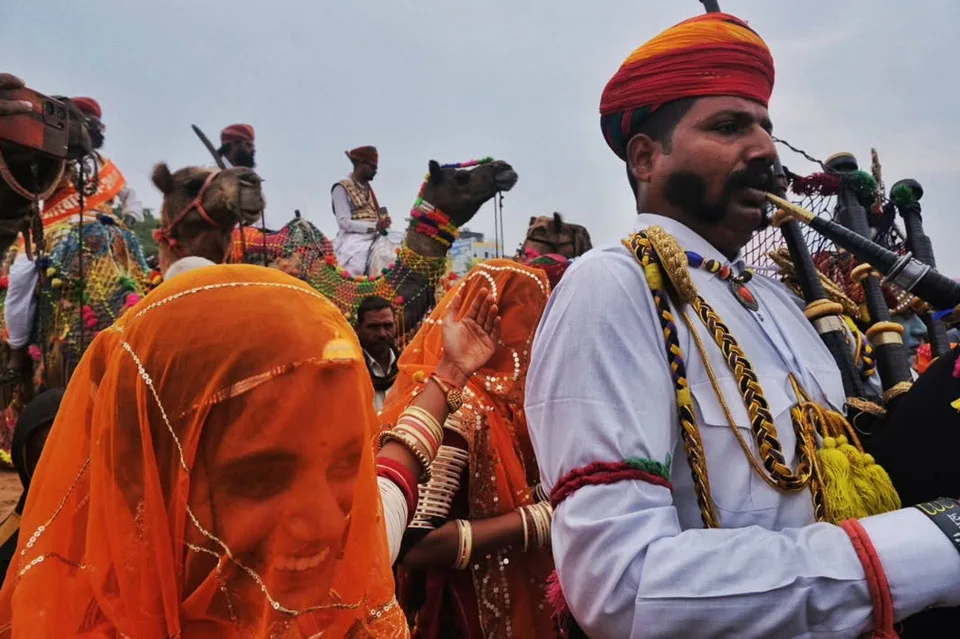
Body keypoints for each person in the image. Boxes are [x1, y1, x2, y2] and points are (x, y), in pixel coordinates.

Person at [524, 12, 960, 638]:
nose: (764, 150)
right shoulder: (613, 285)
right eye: (729, 127)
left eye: (764, 126)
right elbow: (623, 587)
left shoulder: (778, 302)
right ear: (645, 158)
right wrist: (934, 544)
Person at [0, 263, 501, 636]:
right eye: (262, 479)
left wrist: (451, 374)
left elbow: (390, 483)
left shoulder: (342, 573)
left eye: (346, 466)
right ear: (138, 472)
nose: (327, 522)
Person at [381, 259, 557, 639]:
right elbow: (414, 544)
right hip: (460, 613)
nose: (536, 340)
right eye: (530, 320)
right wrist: (537, 522)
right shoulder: (459, 410)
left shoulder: (510, 406)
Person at [2, 95, 136, 384]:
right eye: (88, 123)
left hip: (102, 226)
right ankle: (17, 349)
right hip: (53, 229)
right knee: (21, 276)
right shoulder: (48, 154)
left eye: (96, 124)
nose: (93, 129)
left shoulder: (102, 164)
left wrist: (131, 216)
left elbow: (130, 197)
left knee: (139, 275)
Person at [0, 389, 63, 581]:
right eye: (42, 454)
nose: (57, 465)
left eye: (65, 449)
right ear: (25, 460)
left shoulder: (114, 533)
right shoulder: (8, 547)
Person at [331, 146, 390, 275]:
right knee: (358, 263)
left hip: (375, 235)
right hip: (353, 239)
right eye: (372, 167)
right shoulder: (340, 188)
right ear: (360, 164)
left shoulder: (369, 190)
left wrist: (383, 223)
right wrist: (373, 226)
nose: (375, 171)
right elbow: (344, 223)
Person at [354, 296, 399, 411]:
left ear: (395, 325)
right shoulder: (351, 370)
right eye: (373, 327)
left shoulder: (407, 366)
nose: (382, 334)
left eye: (388, 325)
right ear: (358, 328)